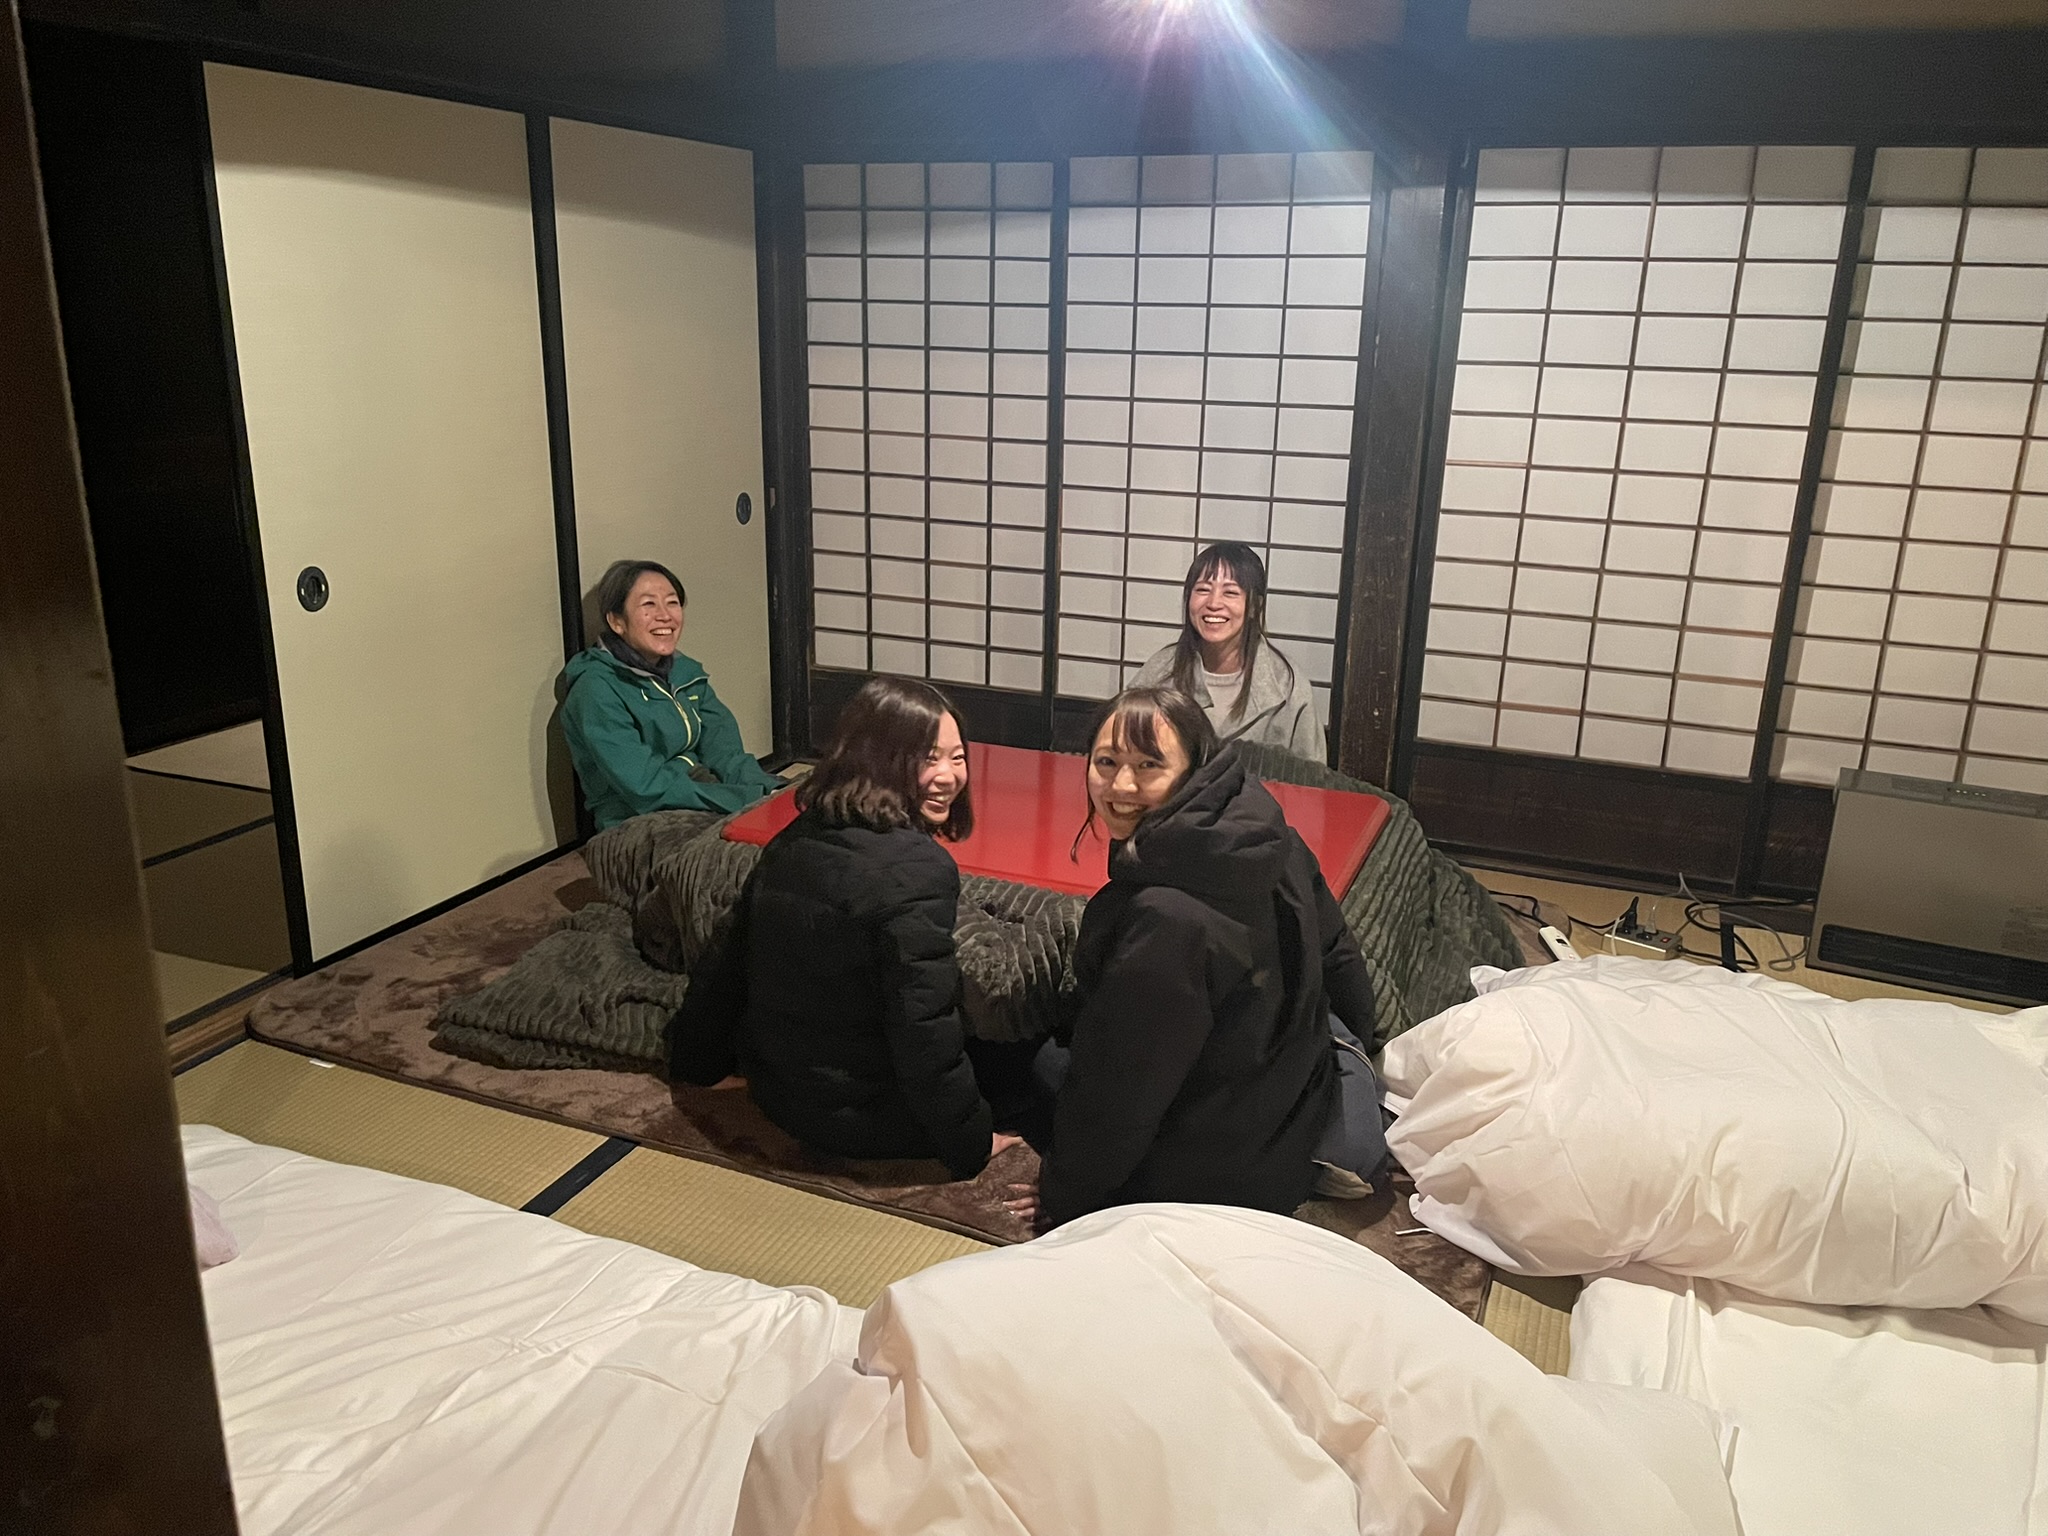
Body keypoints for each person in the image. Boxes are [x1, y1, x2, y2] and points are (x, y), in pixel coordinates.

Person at [1019, 686, 1377, 1231]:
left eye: (1149, 765)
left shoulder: (1167, 920)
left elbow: (1123, 1086)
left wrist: (1066, 1196)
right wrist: (1364, 1051)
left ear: (1194, 767)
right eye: (1107, 762)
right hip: (1290, 1125)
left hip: (1214, 1180)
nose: (1121, 785)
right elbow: (1341, 958)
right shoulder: (1273, 837)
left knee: (1039, 1059)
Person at [667, 677, 1015, 1182]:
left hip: (778, 1094)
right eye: (928, 758)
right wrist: (971, 1144)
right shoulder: (918, 870)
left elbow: (725, 960)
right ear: (879, 760)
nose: (948, 776)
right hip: (860, 1120)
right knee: (1027, 1064)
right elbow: (924, 1028)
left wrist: (697, 1064)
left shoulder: (797, 834)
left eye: (957, 757)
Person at [560, 559, 784, 828]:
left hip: (700, 791)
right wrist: (745, 799)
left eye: (672, 602)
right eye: (649, 604)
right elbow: (644, 787)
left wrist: (771, 791)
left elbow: (726, 754)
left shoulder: (685, 672)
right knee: (752, 851)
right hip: (634, 818)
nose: (665, 615)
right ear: (617, 621)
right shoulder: (596, 688)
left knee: (806, 818)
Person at [1129, 541, 1324, 760]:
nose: (1214, 603)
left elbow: (1311, 775)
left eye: (1230, 592)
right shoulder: (1159, 672)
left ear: (1254, 606)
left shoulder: (1288, 686)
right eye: (1203, 590)